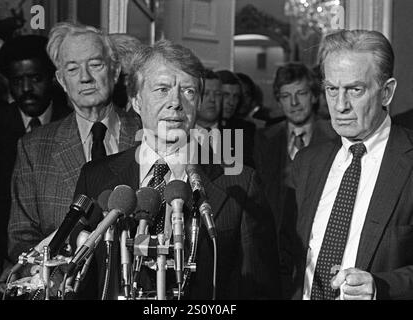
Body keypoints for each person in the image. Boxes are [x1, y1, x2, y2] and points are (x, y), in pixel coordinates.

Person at [71, 39, 281, 300]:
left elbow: (260, 289)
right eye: (161, 89)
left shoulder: (240, 183)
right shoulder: (96, 177)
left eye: (188, 92)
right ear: (136, 101)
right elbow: (81, 284)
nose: (176, 103)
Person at [3, 23, 141, 287]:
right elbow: (21, 236)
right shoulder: (33, 148)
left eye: (95, 65)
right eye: (73, 68)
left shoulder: (146, 135)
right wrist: (52, 277)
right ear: (61, 80)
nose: (85, 77)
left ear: (114, 71)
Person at [284, 29, 413, 300]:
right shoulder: (307, 162)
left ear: (387, 92)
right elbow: (285, 258)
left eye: (355, 90)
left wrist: (382, 287)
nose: (340, 105)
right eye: (332, 89)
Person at [0, 35, 72, 288]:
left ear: (52, 78)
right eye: (17, 81)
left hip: (59, 261)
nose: (26, 88)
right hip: (2, 257)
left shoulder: (71, 122)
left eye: (35, 78)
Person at [253, 63, 337, 240]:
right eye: (286, 96)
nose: (294, 103)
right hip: (272, 241)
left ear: (314, 96)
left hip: (319, 239)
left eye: (301, 93)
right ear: (279, 101)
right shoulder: (263, 139)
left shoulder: (335, 138)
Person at [216, 69, 256, 167]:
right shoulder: (196, 128)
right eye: (226, 95)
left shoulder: (247, 130)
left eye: (236, 96)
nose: (231, 102)